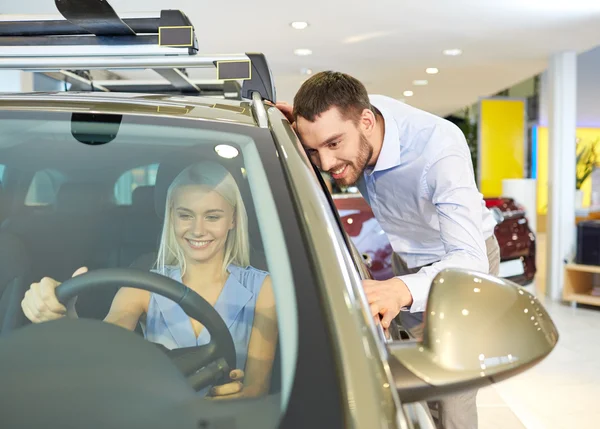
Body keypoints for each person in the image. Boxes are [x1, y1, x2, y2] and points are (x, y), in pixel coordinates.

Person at [276, 71, 500, 429]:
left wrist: (401, 288)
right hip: (406, 259)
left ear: (366, 121)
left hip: (461, 264)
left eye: (334, 144)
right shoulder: (351, 119)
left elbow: (469, 258)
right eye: (315, 150)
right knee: (412, 381)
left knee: (452, 393)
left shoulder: (438, 149)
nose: (327, 164)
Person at [20, 161, 278, 399]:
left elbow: (257, 388)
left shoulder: (263, 288)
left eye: (212, 217)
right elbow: (102, 351)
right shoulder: (141, 286)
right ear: (171, 216)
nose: (198, 230)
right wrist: (66, 316)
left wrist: (235, 398)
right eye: (185, 215)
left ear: (232, 219)